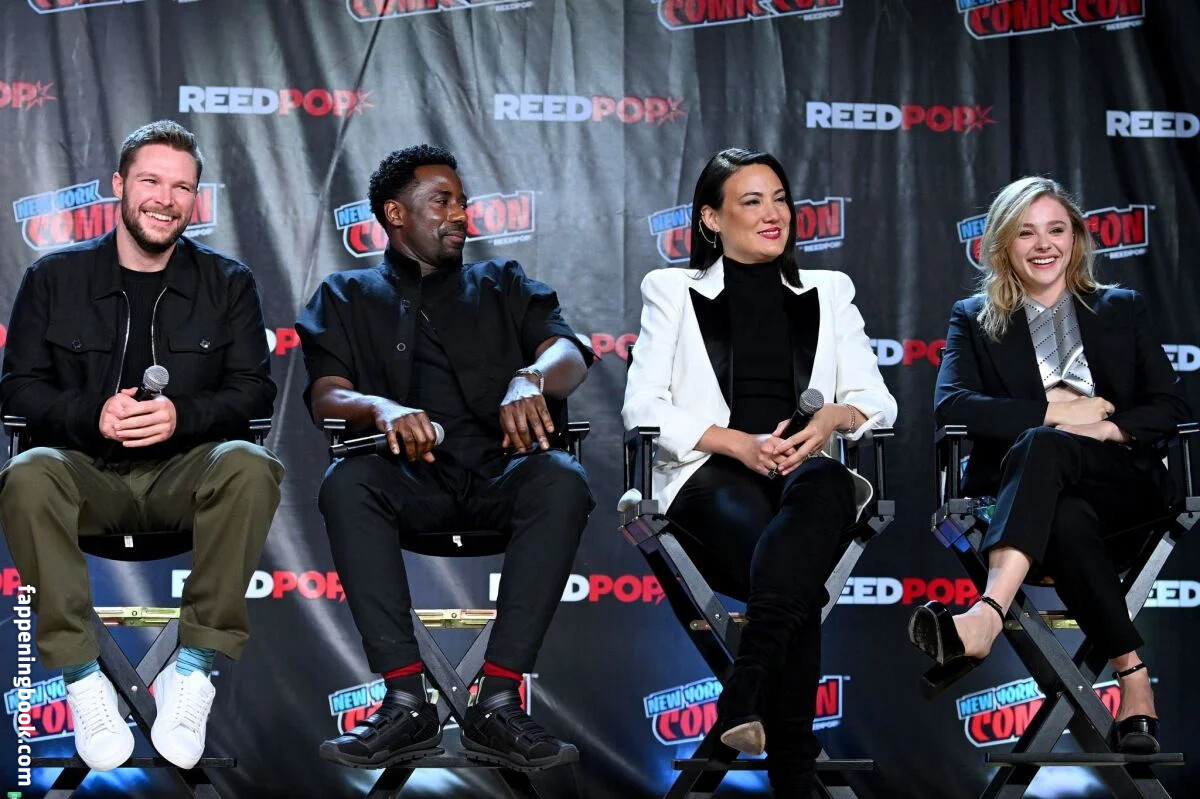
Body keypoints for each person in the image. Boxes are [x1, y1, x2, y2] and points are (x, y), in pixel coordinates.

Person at [297, 144, 593, 771]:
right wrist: (381, 407)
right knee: (346, 482)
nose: (460, 214)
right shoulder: (346, 295)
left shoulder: (502, 282)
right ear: (395, 213)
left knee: (562, 478)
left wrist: (530, 379)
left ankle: (499, 701)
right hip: (408, 483)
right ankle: (406, 701)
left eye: (462, 202)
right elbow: (326, 394)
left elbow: (568, 353)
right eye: (442, 201)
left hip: (500, 476)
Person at [0, 120, 283, 771]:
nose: (166, 199)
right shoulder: (54, 277)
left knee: (250, 463)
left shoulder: (228, 282)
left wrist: (181, 417)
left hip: (184, 479)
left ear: (195, 199)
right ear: (119, 185)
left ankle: (194, 669)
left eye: (182, 187)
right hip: (85, 477)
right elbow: (17, 391)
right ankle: (82, 680)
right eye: (151, 181)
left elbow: (254, 394)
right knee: (28, 470)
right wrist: (92, 415)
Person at [621, 147, 897, 795]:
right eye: (752, 201)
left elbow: (878, 401)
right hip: (710, 477)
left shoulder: (830, 290)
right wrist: (739, 444)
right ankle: (793, 768)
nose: (774, 214)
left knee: (825, 487)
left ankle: (744, 691)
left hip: (806, 477)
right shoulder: (672, 290)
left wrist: (831, 419)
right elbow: (642, 408)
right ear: (711, 219)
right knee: (792, 570)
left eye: (779, 199)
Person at [908, 176, 1190, 754]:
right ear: (1002, 245)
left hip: (1122, 492)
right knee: (1061, 504)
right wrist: (1056, 411)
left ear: (1076, 239)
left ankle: (987, 613)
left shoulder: (1120, 308)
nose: (1043, 245)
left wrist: (1102, 427)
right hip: (1034, 506)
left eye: (1056, 230)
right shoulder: (975, 317)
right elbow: (951, 407)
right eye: (1025, 233)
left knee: (1048, 447)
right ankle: (1135, 681)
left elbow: (1171, 406)